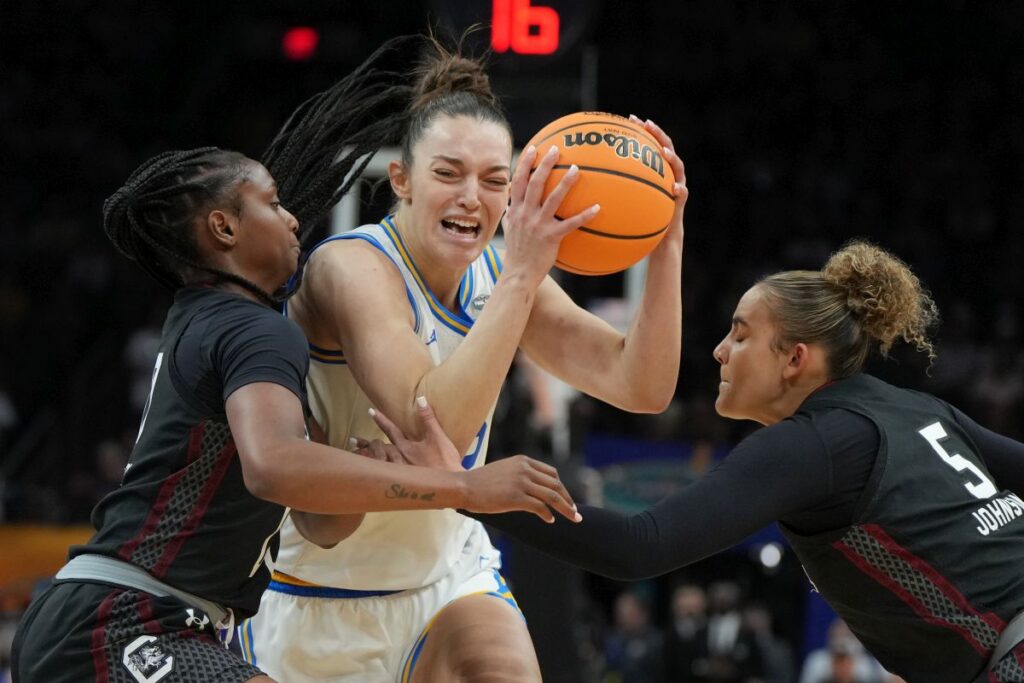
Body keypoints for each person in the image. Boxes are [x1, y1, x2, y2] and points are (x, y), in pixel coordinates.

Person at [8, 39, 579, 683]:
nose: (292, 220)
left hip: (152, 620)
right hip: (121, 621)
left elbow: (314, 515)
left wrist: (364, 483)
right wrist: (464, 487)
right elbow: (276, 468)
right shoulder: (257, 332)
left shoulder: (209, 319)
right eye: (274, 204)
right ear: (224, 229)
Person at [241, 35, 688, 683]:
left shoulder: (504, 271)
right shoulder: (351, 268)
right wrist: (523, 276)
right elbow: (437, 424)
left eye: (494, 180)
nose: (472, 198)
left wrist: (663, 242)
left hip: (449, 577)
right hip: (321, 596)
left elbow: (641, 384)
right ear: (402, 179)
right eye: (447, 173)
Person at [469, 241, 1024, 683]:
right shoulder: (918, 406)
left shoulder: (812, 443)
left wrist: (472, 492)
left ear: (795, 360)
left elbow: (639, 545)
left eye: (741, 334)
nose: (719, 350)